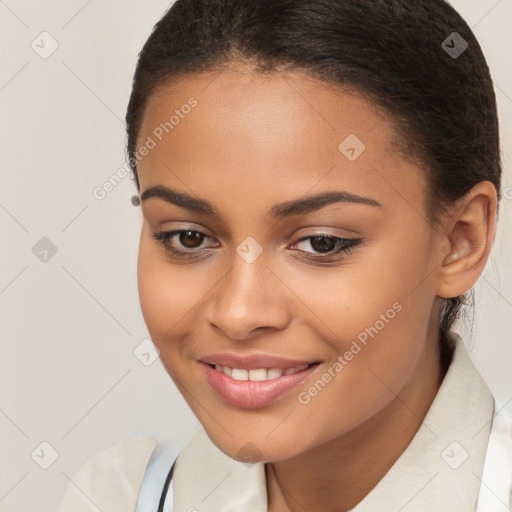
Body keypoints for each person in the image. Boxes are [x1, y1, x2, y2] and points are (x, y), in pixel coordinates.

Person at [57, 0, 512, 510]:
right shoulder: (112, 498)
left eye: (321, 243)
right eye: (188, 237)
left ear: (460, 241)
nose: (238, 313)